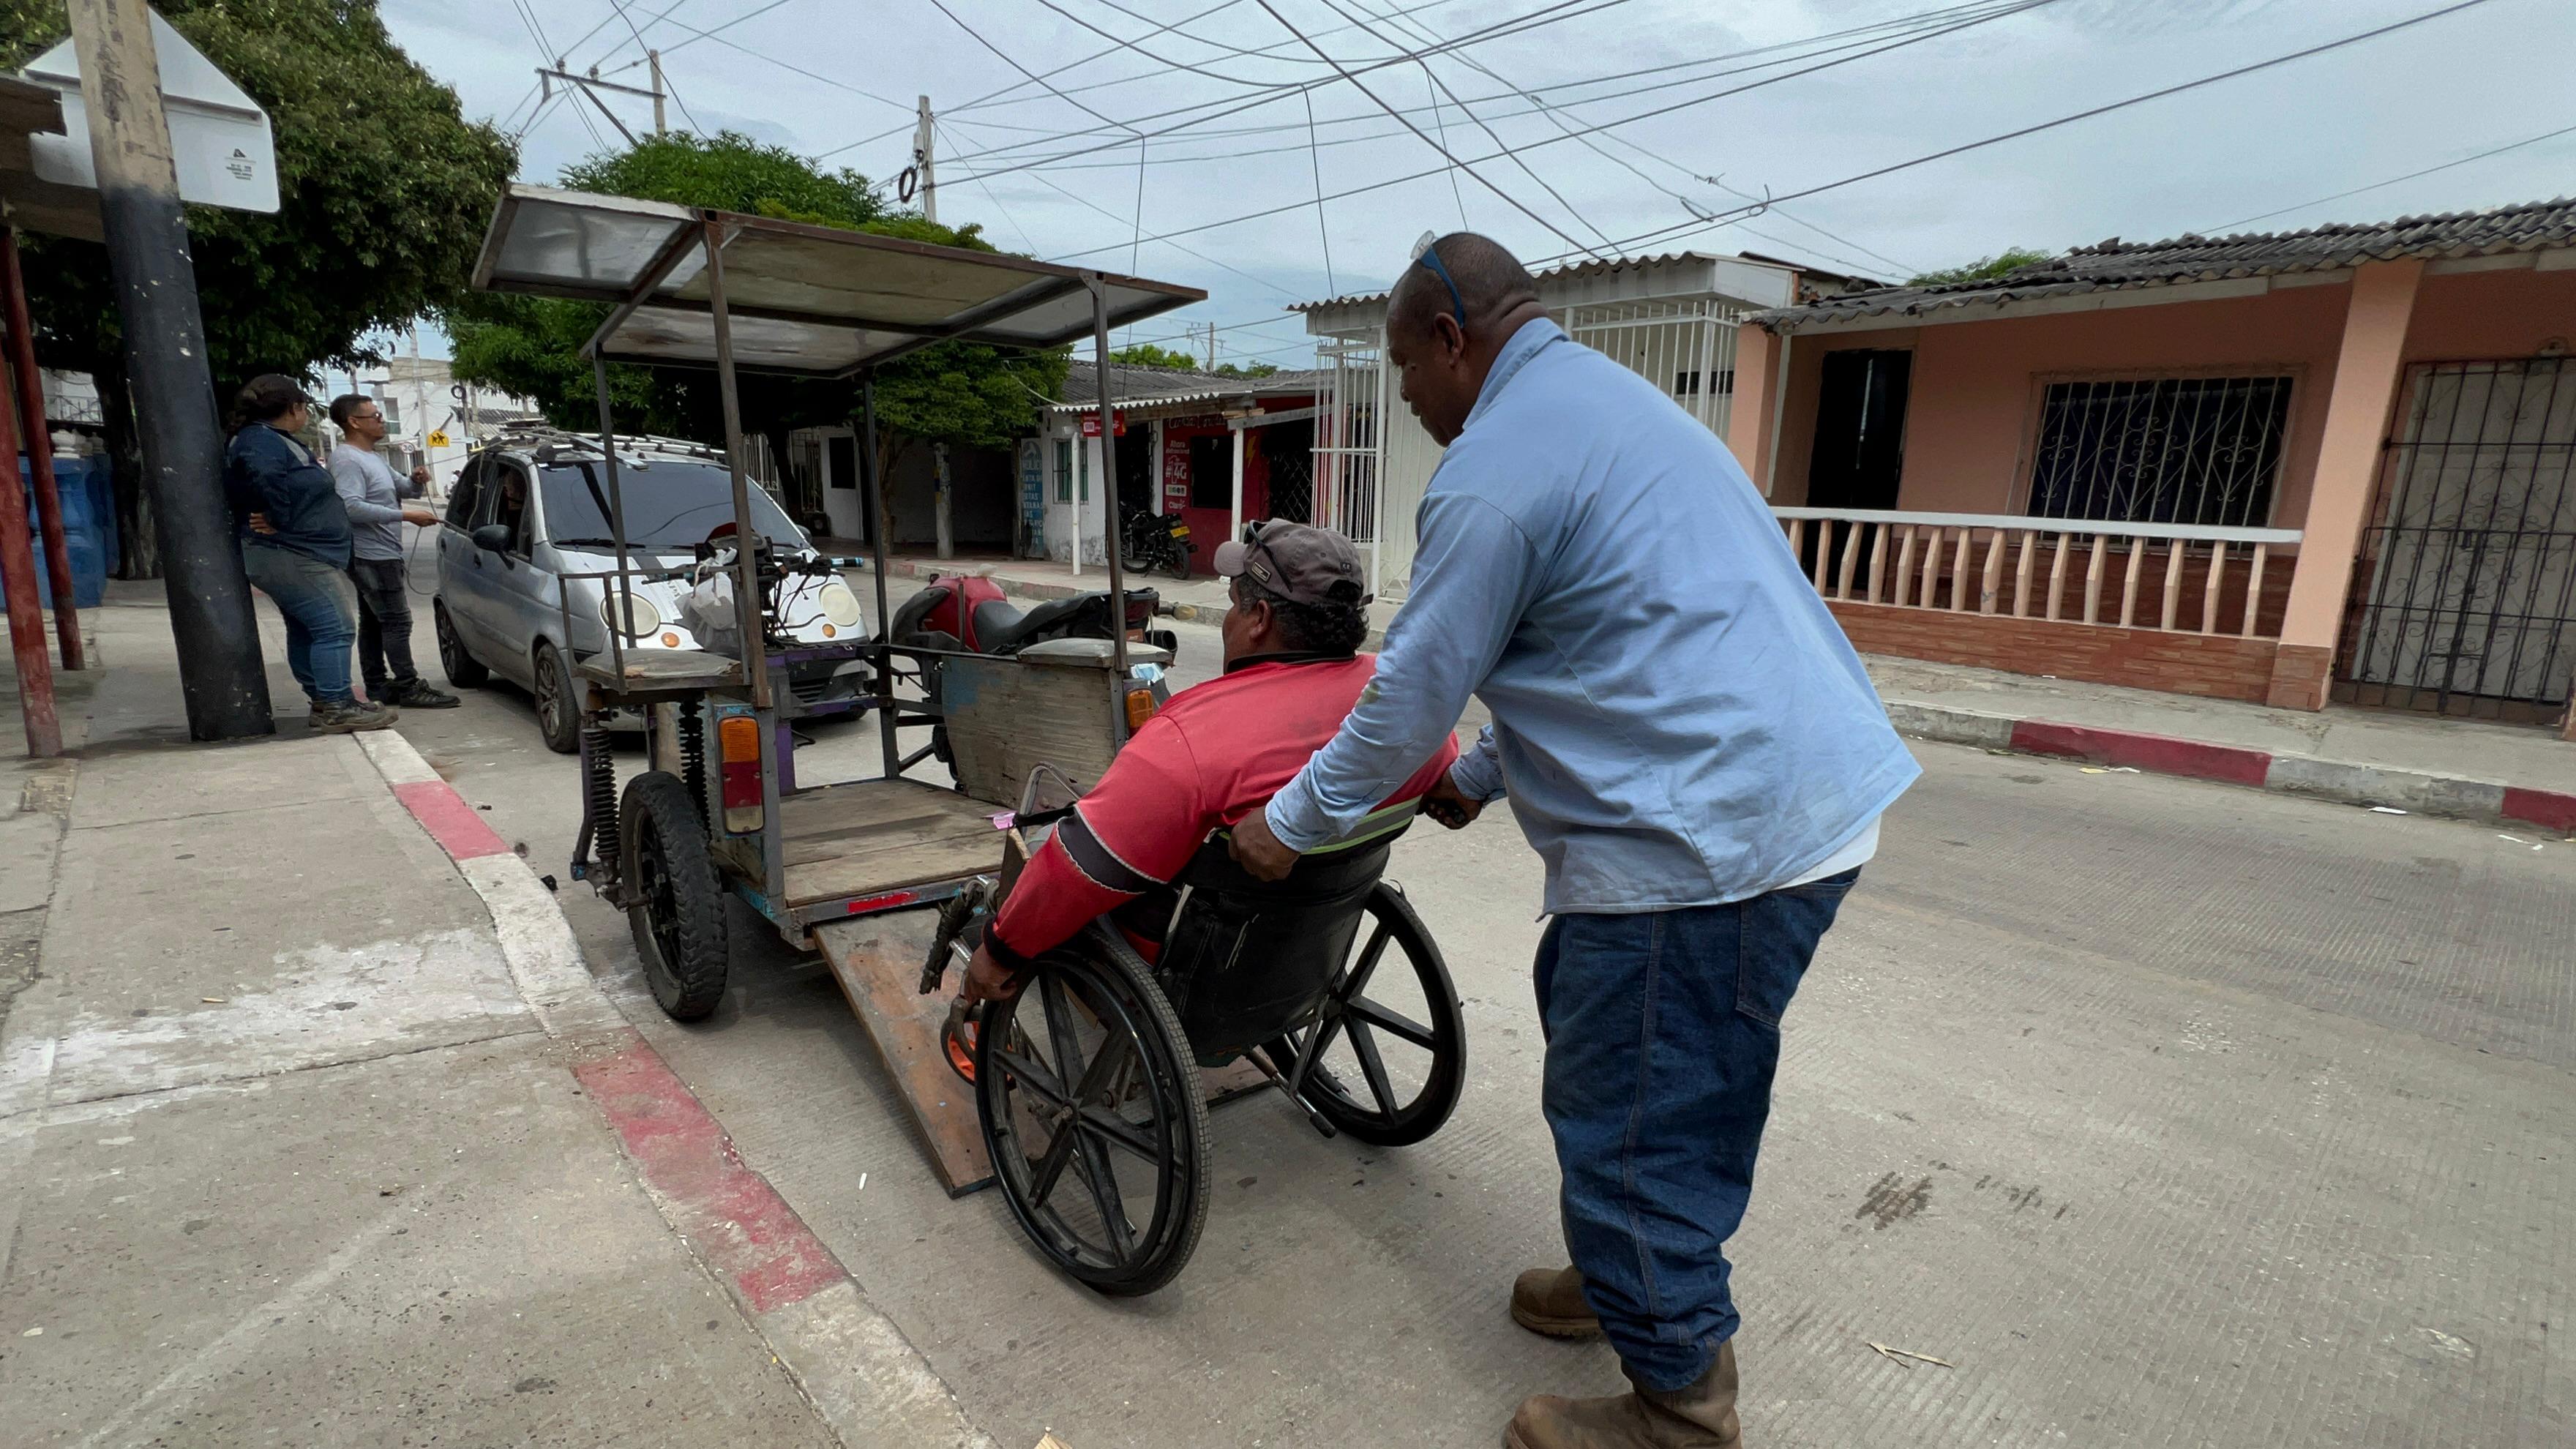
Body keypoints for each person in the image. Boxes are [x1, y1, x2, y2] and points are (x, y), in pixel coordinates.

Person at [1226, 236, 1920, 1449]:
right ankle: (1638, 1290)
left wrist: (1292, 825)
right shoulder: (1606, 405)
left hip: (1709, 839)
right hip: (1788, 802)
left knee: (1636, 1106)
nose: (1401, 395)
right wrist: (1490, 776)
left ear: (1450, 338)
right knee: (1673, 1075)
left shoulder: (1495, 469)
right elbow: (1605, 644)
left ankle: (1679, 1406)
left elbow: (1413, 693)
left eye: (1402, 365)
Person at [959, 522, 1459, 998]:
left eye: (1233, 606)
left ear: (1259, 619)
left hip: (1187, 969)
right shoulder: (1403, 701)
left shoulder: (1192, 738)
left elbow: (1080, 873)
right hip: (1300, 952)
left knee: (1049, 855)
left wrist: (999, 950)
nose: (1230, 621)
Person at [226, 375, 396, 733]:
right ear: (294, 408)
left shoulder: (271, 440)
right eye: (304, 406)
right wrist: (278, 517)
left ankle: (325, 700)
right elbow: (263, 476)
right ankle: (336, 704)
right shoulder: (261, 441)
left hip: (297, 551)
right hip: (292, 553)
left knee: (308, 627)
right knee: (335, 627)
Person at [326, 394, 456, 708]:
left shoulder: (371, 457)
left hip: (383, 551)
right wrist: (407, 515)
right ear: (354, 422)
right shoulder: (347, 460)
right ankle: (408, 685)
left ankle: (378, 684)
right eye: (375, 417)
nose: (381, 421)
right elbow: (350, 507)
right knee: (397, 621)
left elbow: (403, 489)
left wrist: (416, 480)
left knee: (374, 621)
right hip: (370, 554)